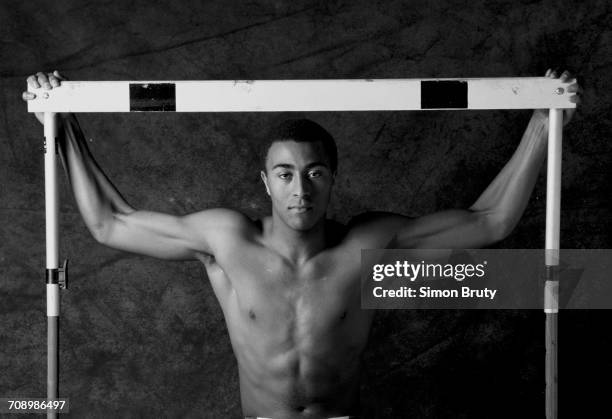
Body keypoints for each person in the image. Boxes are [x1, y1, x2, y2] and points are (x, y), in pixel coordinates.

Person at [23, 70, 581, 419]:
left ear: (333, 178)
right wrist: (60, 120)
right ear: (266, 183)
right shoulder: (226, 240)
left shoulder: (369, 245)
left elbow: (490, 221)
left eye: (315, 173)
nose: (300, 188)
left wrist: (544, 119)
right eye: (285, 174)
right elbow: (111, 223)